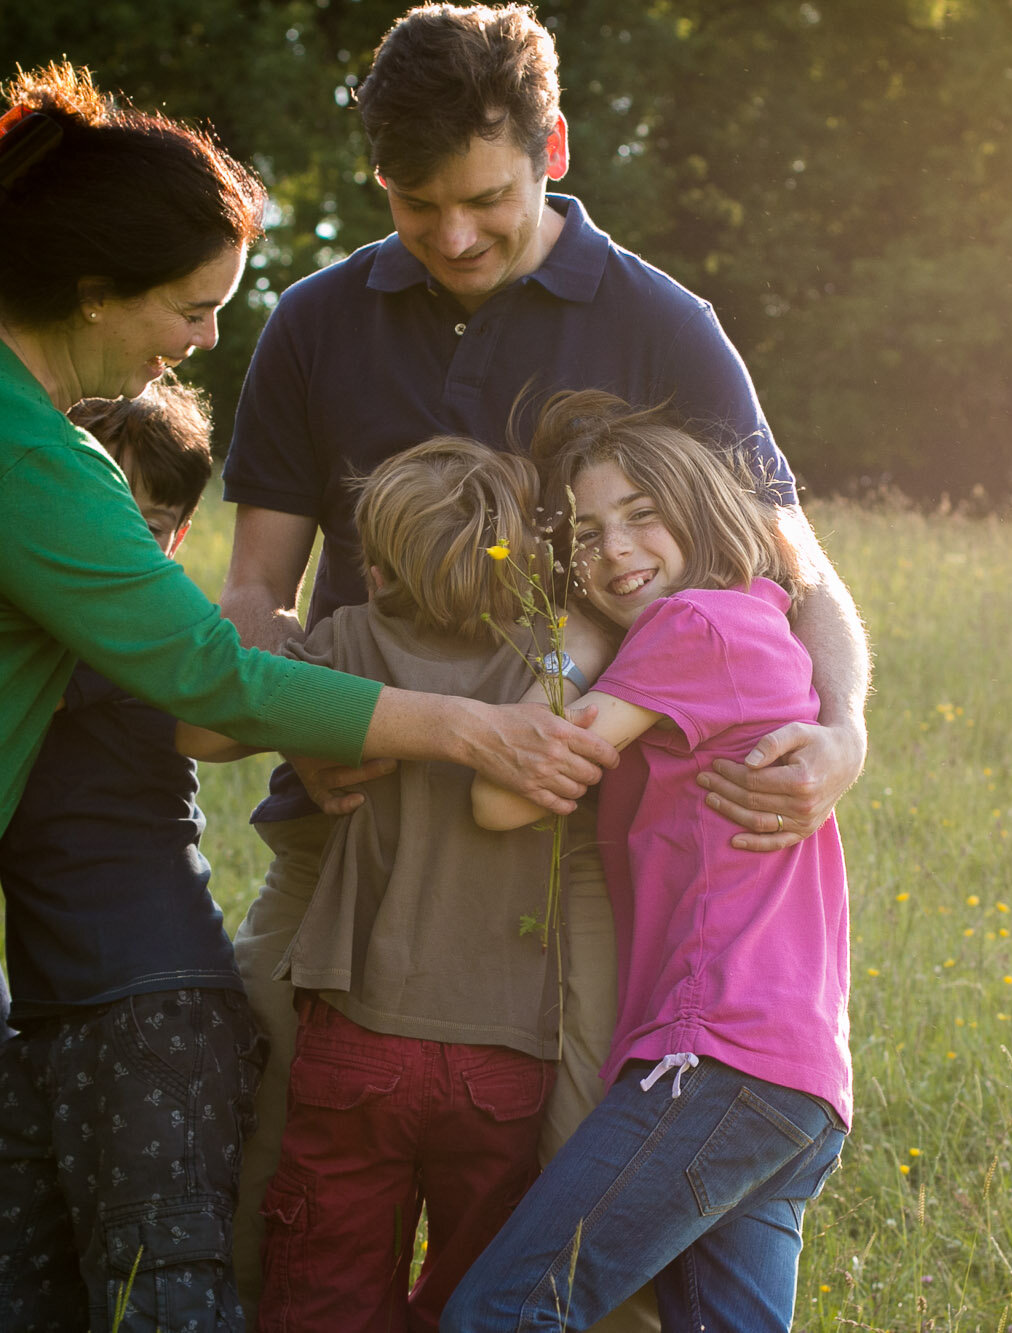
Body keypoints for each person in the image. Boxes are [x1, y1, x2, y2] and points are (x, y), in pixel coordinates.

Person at [0, 62, 612, 1333]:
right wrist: (462, 724)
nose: (200, 341)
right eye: (190, 308)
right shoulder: (33, 463)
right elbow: (201, 678)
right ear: (94, 294)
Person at [216, 5, 870, 1320]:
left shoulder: (663, 323)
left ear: (552, 146)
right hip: (352, 839)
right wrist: (304, 719)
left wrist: (845, 730)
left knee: (572, 1224)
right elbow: (249, 593)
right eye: (415, 207)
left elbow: (804, 578)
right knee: (271, 1183)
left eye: (486, 200)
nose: (453, 239)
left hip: (574, 862)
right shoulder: (317, 321)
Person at [454, 390, 852, 1330]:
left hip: (714, 1057)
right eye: (586, 536)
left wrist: (577, 645)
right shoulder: (761, 625)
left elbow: (503, 792)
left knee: (504, 1312)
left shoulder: (692, 629)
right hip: (795, 1086)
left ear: (704, 508)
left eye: (642, 514)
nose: (616, 551)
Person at [0, 385, 261, 1333]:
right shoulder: (26, 620)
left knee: (166, 1301)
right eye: (92, 514)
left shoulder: (138, 630)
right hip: (48, 1020)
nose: (114, 545)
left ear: (175, 538)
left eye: (144, 524)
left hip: (157, 1011)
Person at [253, 438, 593, 1332]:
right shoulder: (553, 670)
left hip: (357, 1030)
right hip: (509, 1048)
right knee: (480, 1286)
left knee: (326, 1276)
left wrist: (286, 646)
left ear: (376, 562)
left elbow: (254, 700)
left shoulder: (345, 643)